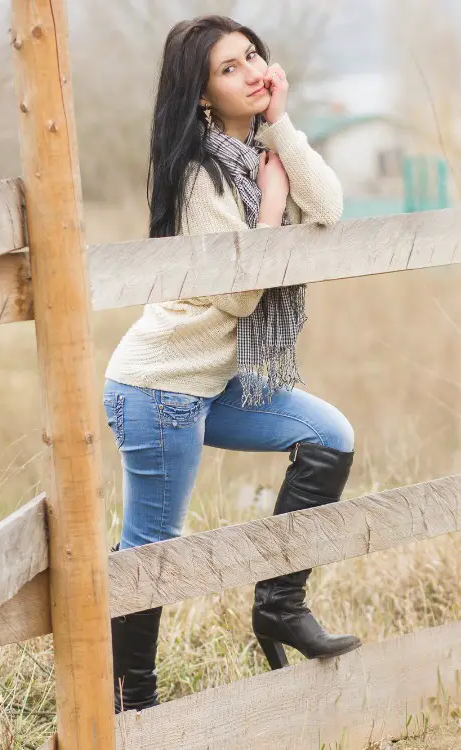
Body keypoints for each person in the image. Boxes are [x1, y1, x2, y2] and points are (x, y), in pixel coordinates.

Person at [103, 14, 361, 714]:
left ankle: (278, 605)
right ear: (201, 95)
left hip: (218, 379)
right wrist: (273, 206)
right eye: (229, 67)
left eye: (253, 56)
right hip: (159, 387)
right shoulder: (200, 174)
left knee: (330, 438)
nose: (251, 70)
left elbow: (331, 206)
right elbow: (242, 293)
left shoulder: (254, 154)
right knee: (152, 549)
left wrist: (282, 124)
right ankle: (131, 704)